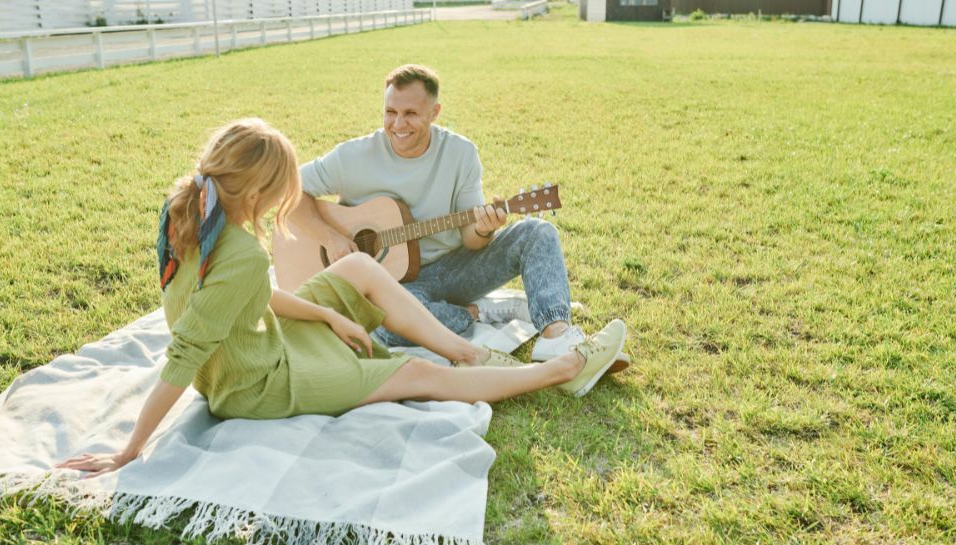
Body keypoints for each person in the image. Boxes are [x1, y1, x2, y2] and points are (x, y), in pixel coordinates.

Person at [56, 118, 626, 478]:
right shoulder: (241, 253)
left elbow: (247, 302)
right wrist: (129, 450)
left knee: (355, 265)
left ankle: (470, 352)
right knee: (414, 376)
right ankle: (565, 370)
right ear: (258, 190)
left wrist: (328, 311)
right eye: (284, 189)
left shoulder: (189, 210)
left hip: (266, 349)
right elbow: (183, 355)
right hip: (262, 385)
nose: (289, 200)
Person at [290, 64, 628, 367]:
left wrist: (483, 230)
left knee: (537, 232)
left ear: (435, 112)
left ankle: (556, 336)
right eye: (390, 112)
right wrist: (330, 237)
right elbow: (290, 192)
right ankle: (480, 313)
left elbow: (470, 238)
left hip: (452, 268)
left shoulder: (460, 153)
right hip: (388, 285)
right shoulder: (354, 156)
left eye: (410, 113)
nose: (397, 124)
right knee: (388, 328)